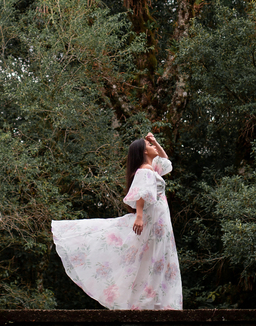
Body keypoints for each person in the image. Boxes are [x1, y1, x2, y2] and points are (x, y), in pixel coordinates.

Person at [51, 132, 182, 309]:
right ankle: (148, 302)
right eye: (149, 146)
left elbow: (166, 162)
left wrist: (155, 142)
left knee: (155, 255)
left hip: (160, 219)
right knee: (152, 255)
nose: (153, 147)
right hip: (154, 218)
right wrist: (139, 216)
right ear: (144, 152)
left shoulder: (151, 168)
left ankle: (154, 301)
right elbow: (141, 193)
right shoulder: (145, 170)